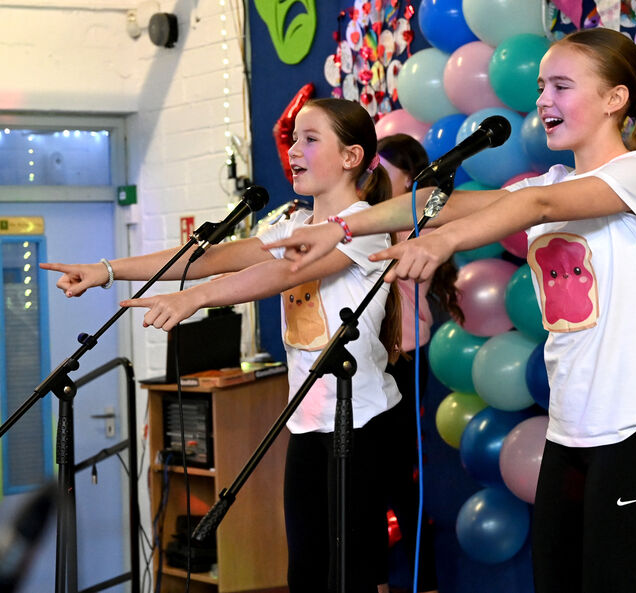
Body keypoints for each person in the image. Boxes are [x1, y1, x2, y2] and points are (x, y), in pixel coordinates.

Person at [265, 28, 636, 593]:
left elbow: (537, 204)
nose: (543, 99)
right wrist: (343, 226)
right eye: (542, 85)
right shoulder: (554, 180)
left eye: (561, 86)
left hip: (632, 435)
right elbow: (438, 202)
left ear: (614, 99)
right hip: (569, 437)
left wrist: (443, 243)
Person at [41, 97, 405, 593]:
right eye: (294, 138)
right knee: (306, 573)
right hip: (306, 426)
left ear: (351, 156)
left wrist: (196, 298)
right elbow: (212, 258)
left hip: (361, 425)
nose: (295, 149)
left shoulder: (366, 225)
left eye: (311, 139)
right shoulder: (293, 224)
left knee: (357, 576)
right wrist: (107, 271)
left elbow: (285, 271)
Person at [375, 134, 463, 593]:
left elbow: (405, 272)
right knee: (368, 479)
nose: (370, 177)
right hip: (370, 359)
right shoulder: (368, 220)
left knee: (399, 478)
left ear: (409, 178)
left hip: (404, 357)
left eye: (381, 170)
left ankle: (422, 581)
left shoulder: (422, 226)